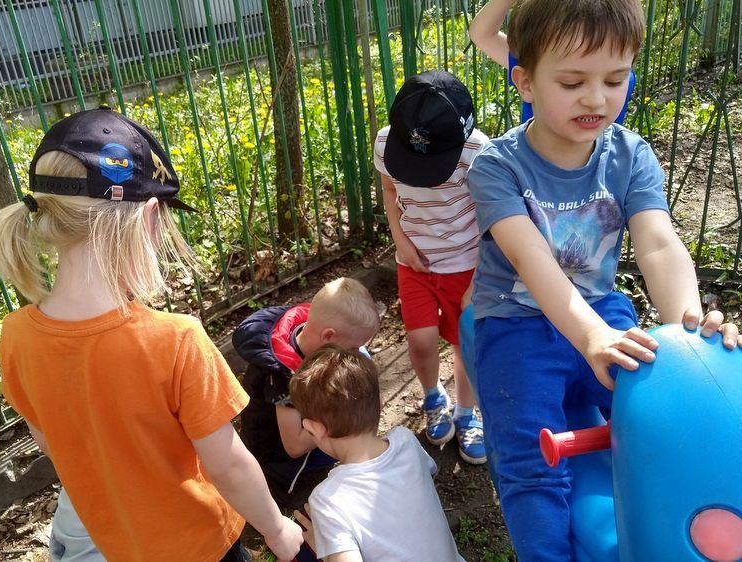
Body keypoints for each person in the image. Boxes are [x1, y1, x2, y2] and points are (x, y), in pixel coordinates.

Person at [466, 1, 742, 560]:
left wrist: (688, 331)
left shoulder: (630, 155)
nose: (596, 99)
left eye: (615, 80)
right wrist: (590, 337)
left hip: (603, 310)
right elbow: (531, 259)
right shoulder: (497, 167)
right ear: (525, 81)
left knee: (674, 410)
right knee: (528, 460)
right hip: (518, 321)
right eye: (573, 83)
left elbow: (658, 244)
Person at [0, 107, 302, 562]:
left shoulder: (16, 336)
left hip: (119, 544)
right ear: (150, 217)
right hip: (201, 546)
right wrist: (276, 528)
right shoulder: (176, 341)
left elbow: (52, 442)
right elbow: (228, 464)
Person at [374, 69, 488, 464]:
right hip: (414, 263)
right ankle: (433, 397)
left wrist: (480, 277)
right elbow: (389, 189)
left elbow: (493, 218)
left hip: (466, 265)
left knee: (464, 344)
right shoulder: (387, 142)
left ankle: (467, 412)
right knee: (420, 340)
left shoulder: (478, 153)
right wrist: (400, 240)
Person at [289, 345, 465, 562]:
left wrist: (323, 549)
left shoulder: (327, 501)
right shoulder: (406, 441)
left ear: (313, 429)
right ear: (381, 404)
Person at [233, 277, 380, 499]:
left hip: (307, 421)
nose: (357, 353)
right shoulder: (284, 378)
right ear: (328, 336)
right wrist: (342, 415)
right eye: (353, 348)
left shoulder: (314, 335)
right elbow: (293, 447)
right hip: (278, 455)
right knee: (353, 428)